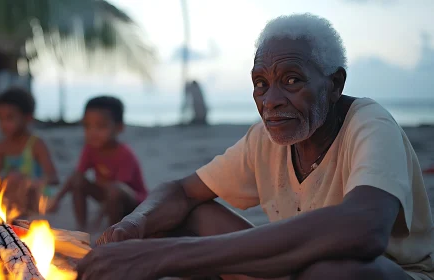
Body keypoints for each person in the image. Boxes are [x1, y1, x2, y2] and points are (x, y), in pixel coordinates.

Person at [76, 14, 434, 280]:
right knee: (184, 214)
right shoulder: (264, 139)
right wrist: (134, 226)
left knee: (333, 272)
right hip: (294, 268)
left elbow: (363, 229)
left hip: (382, 272)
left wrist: (161, 257)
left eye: (291, 80)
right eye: (260, 84)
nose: (271, 100)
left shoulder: (369, 123)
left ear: (335, 83)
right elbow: (182, 190)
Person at [48, 96, 148, 232]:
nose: (92, 132)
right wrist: (57, 200)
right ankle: (81, 227)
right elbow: (76, 176)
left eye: (101, 126)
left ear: (119, 127)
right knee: (78, 180)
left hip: (133, 204)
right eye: (87, 126)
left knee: (114, 190)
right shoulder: (90, 148)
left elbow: (118, 191)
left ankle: (113, 230)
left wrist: (97, 220)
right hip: (107, 196)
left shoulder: (124, 154)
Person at [0, 87, 59, 215]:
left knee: (14, 178)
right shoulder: (2, 146)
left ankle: (18, 215)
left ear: (27, 118)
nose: (3, 124)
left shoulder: (36, 144)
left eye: (9, 118)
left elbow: (53, 177)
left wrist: (32, 182)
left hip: (34, 197)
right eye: (0, 118)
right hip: (10, 192)